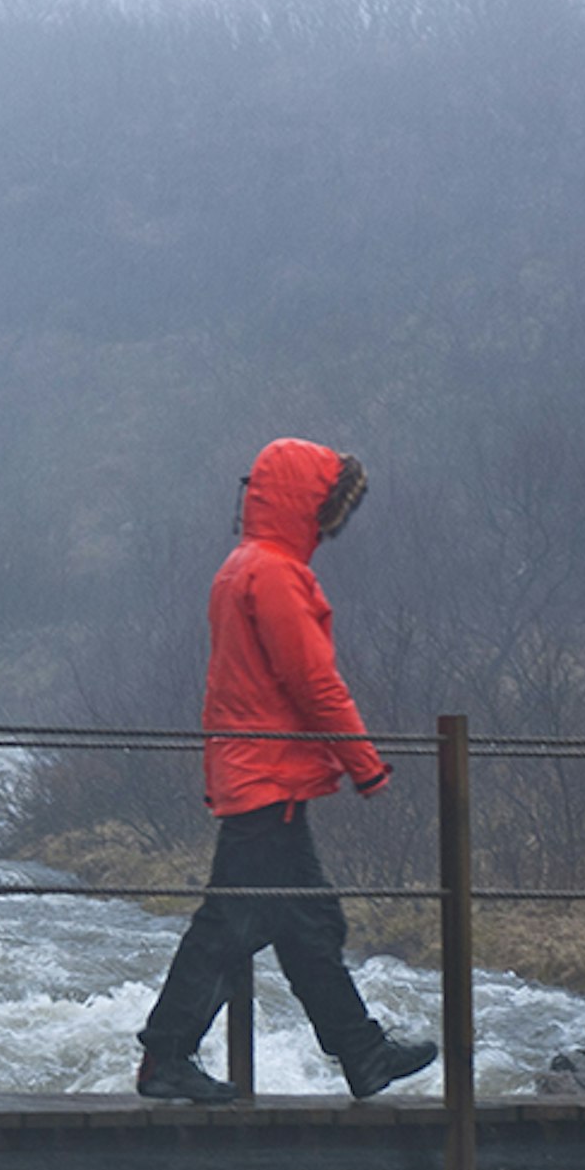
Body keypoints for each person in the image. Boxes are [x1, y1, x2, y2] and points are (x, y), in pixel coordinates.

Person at [135, 438, 441, 1105]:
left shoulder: (242, 566)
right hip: (267, 777)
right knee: (230, 925)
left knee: (308, 924)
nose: (335, 526)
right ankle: (166, 1056)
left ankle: (362, 1054)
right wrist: (366, 765)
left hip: (257, 773)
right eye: (330, 509)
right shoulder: (274, 574)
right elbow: (313, 681)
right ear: (307, 505)